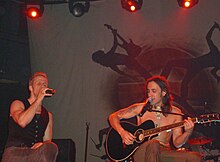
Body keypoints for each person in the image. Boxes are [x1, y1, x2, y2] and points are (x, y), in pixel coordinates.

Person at [108, 76, 202, 162]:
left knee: (195, 157)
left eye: (153, 91)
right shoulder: (140, 108)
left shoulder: (176, 113)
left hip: (164, 153)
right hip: (141, 152)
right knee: (153, 143)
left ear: (163, 93)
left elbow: (177, 143)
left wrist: (188, 132)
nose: (150, 94)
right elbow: (113, 117)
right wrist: (122, 132)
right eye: (148, 91)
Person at [1, 72, 58, 162]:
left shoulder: (48, 115)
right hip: (15, 153)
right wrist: (38, 99)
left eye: (44, 84)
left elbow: (47, 141)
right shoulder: (18, 104)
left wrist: (42, 144)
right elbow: (22, 122)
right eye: (39, 83)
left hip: (34, 154)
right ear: (30, 87)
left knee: (52, 147)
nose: (42, 86)